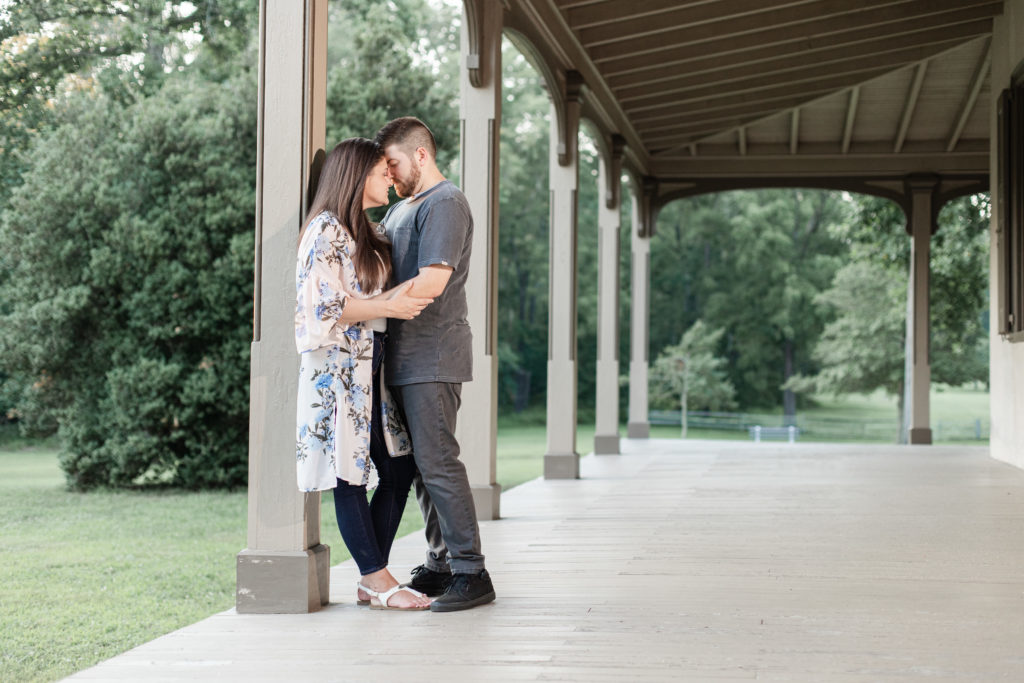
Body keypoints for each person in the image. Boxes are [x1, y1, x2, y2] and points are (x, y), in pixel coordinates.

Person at [295, 138, 435, 611]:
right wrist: (387, 305)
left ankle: (370, 576)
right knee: (349, 474)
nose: (390, 179)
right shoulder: (325, 231)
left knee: (397, 467)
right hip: (339, 368)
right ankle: (376, 579)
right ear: (356, 178)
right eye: (381, 173)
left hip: (371, 366)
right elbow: (324, 306)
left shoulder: (368, 233)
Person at [375, 116, 496, 612]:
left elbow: (431, 282)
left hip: (433, 355)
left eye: (395, 163)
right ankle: (441, 562)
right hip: (402, 358)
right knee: (424, 467)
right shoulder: (403, 208)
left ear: (420, 155)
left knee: (439, 462)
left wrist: (368, 307)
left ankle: (472, 571)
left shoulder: (446, 202)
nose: (391, 174)